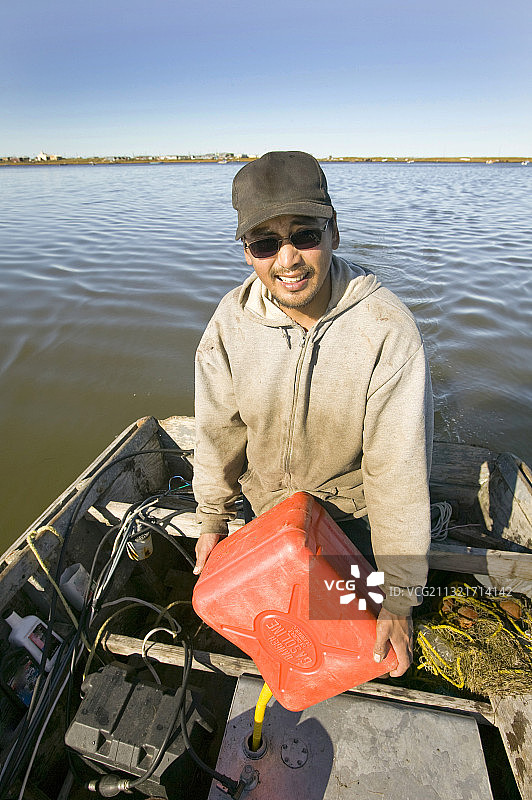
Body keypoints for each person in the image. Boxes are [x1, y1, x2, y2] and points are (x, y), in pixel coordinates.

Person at [192, 151, 433, 677]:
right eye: (264, 244)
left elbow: (398, 470)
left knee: (360, 658)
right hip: (266, 514)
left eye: (305, 235)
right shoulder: (230, 324)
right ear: (247, 252)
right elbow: (216, 432)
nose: (288, 260)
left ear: (334, 233)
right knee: (275, 643)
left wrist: (399, 596)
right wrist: (212, 519)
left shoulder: (386, 328)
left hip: (350, 527)